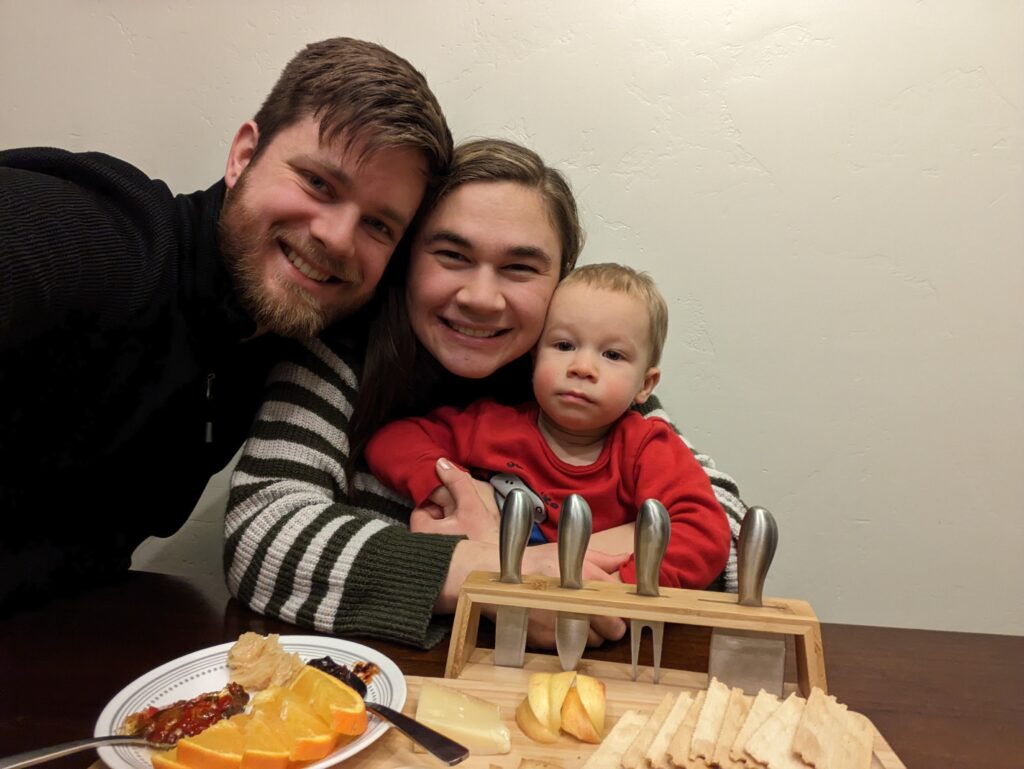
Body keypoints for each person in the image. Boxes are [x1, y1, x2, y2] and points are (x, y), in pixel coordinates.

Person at [225, 139, 747, 649]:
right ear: (408, 258)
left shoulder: (570, 374)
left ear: (559, 281)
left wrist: (571, 578)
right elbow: (261, 536)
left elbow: (728, 525)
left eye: (520, 267)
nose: (480, 298)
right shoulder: (340, 350)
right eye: (452, 254)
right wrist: (497, 573)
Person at [0, 37, 453, 613]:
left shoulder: (285, 332)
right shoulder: (107, 239)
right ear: (243, 155)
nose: (337, 238)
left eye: (379, 226)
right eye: (317, 183)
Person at [364, 263, 731, 590]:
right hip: (494, 620)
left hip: (603, 631)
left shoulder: (647, 447)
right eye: (564, 344)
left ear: (645, 386)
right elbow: (392, 440)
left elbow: (704, 532)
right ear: (534, 356)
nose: (583, 367)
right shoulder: (491, 425)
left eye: (612, 355)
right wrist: (452, 488)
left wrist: (621, 587)